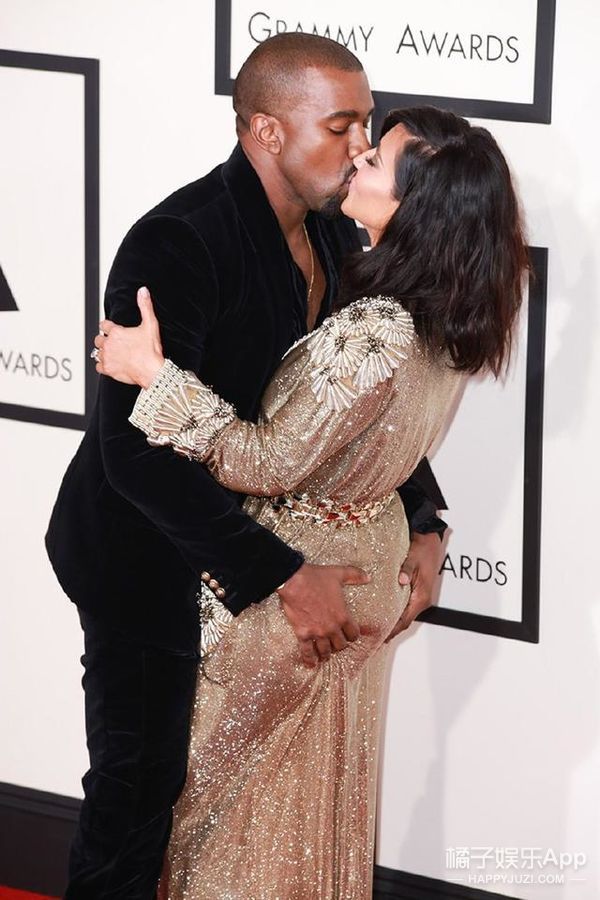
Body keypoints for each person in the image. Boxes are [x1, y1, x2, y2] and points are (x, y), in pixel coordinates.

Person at [45, 34, 447, 897]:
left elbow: (353, 404)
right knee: (139, 792)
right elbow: (133, 454)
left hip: (239, 552)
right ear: (267, 130)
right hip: (140, 555)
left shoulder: (336, 235)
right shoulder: (177, 242)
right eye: (340, 126)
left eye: (367, 125)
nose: (360, 148)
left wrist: (424, 517)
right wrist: (281, 577)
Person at [95, 105, 528, 897]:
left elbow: (265, 461)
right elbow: (375, 438)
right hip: (363, 569)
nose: (358, 156)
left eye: (375, 156)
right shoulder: (444, 315)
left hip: (302, 593)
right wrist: (425, 527)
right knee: (306, 812)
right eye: (351, 133)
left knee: (218, 820)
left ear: (416, 207)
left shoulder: (376, 327)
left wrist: (155, 379)